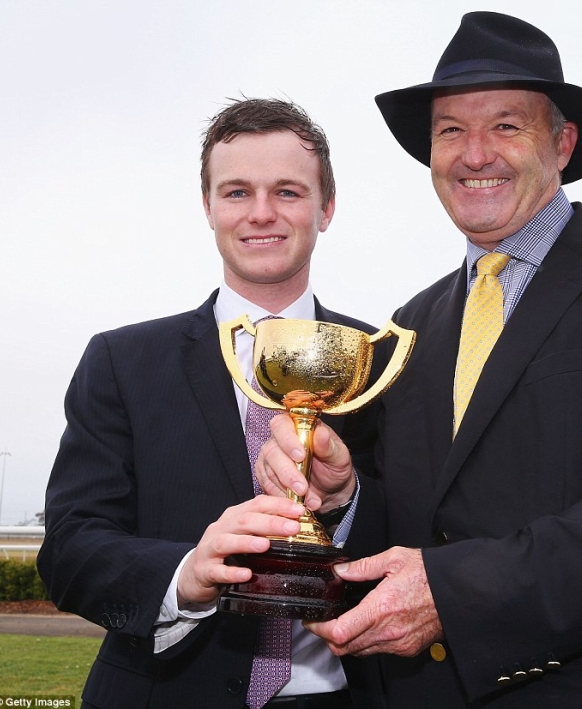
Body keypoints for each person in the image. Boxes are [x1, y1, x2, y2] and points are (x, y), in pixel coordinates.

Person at [258, 12, 582, 709]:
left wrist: (461, 592)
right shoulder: (409, 325)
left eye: (505, 124)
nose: (474, 153)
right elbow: (417, 525)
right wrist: (343, 496)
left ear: (561, 143)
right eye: (450, 130)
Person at [37, 98, 384, 709]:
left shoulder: (375, 362)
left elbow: (428, 533)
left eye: (287, 191)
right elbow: (69, 548)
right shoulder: (122, 361)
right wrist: (188, 576)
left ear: (327, 208)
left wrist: (346, 502)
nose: (261, 214)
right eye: (236, 192)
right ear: (207, 207)